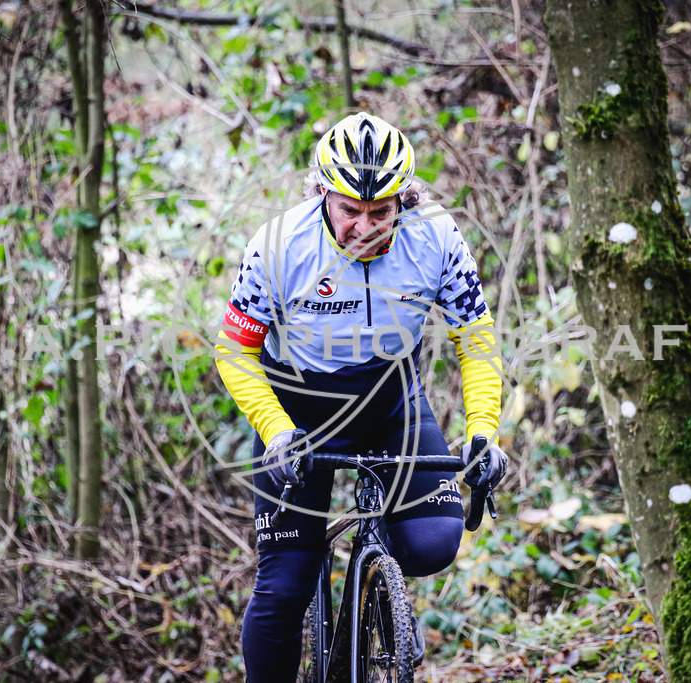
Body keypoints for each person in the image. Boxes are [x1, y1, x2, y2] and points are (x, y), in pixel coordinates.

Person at [214, 112, 507, 682]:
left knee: (432, 546)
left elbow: (477, 339)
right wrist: (276, 431)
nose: (364, 227)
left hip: (390, 403)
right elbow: (234, 352)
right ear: (322, 193)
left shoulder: (436, 238)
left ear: (404, 199)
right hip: (299, 412)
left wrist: (483, 431)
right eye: (349, 209)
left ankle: (376, 596)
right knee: (284, 589)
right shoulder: (278, 245)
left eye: (380, 212)